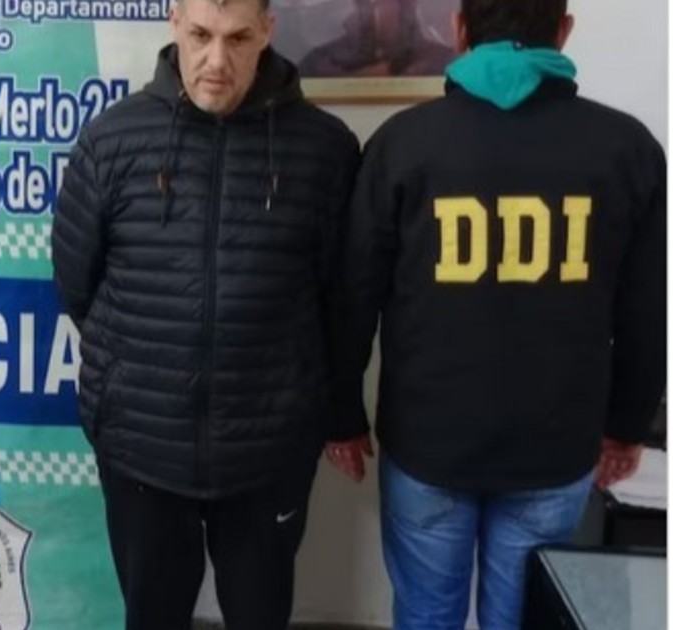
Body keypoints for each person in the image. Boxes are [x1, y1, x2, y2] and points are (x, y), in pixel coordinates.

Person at [325, 1, 665, 628]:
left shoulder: (403, 143)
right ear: (563, 31)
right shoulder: (630, 150)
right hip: (556, 449)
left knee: (427, 619)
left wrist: (341, 416)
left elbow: (352, 296)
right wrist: (628, 426)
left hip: (428, 446)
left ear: (459, 29)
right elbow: (646, 309)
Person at [51, 0, 359, 626]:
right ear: (174, 24)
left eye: (238, 38)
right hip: (142, 444)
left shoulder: (325, 150)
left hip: (268, 452)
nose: (216, 61)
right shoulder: (112, 140)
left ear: (268, 32)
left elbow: (341, 299)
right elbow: (77, 285)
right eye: (200, 35)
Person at [299, 0, 454, 77]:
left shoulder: (444, 62)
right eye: (365, 3)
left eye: (380, 2)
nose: (372, 11)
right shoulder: (318, 63)